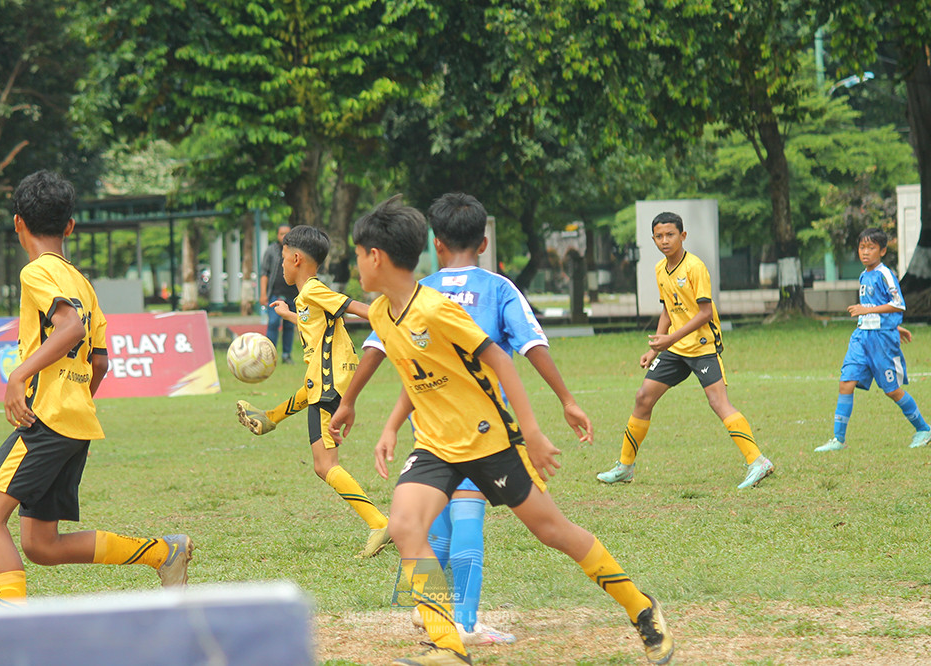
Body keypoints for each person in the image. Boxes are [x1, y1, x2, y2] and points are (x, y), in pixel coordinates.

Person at [332, 195, 673, 666]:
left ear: (376, 257)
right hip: (435, 446)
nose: (356, 265)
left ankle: (641, 607)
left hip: (489, 440)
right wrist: (386, 424)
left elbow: (497, 359)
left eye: (357, 255)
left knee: (554, 531)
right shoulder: (384, 314)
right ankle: (449, 647)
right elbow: (418, 373)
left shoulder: (435, 309)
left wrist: (531, 431)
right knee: (406, 525)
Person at [353, 192, 593, 646]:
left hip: (428, 426)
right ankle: (460, 622)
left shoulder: (415, 290)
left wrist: (357, 407)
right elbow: (527, 346)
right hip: (480, 429)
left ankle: (431, 614)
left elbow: (382, 350)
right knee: (466, 518)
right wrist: (565, 398)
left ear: (436, 244)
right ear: (483, 242)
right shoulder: (498, 287)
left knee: (425, 526)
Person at [0, 170, 193, 606]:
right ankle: (165, 552)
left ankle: (14, 634)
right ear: (69, 227)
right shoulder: (83, 285)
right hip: (73, 422)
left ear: (18, 223)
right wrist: (74, 402)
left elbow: (68, 328)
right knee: (40, 545)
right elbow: (100, 362)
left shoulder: (37, 273)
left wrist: (18, 376)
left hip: (46, 418)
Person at [236, 225, 392, 558]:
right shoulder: (306, 297)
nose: (280, 266)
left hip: (328, 381)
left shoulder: (313, 291)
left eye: (282, 259)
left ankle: (379, 522)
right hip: (328, 379)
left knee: (325, 465)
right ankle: (268, 419)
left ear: (296, 258)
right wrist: (288, 314)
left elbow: (350, 306)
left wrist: (388, 318)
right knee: (308, 391)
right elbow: (316, 322)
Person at [596, 211, 775, 490]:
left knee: (718, 403)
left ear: (683, 236)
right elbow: (668, 308)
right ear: (653, 238)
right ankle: (625, 467)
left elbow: (705, 313)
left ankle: (758, 461)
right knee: (643, 397)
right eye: (659, 236)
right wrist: (657, 346)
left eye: (670, 235)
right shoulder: (659, 269)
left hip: (702, 346)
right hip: (675, 348)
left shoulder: (695, 267)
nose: (665, 241)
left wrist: (669, 339)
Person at [815, 227, 930, 452]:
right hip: (861, 337)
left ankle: (924, 429)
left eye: (871, 248)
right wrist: (895, 325)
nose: (865, 252)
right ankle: (838, 440)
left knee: (892, 390)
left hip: (881, 342)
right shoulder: (864, 275)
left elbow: (898, 304)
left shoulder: (884, 274)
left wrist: (873, 314)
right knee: (846, 382)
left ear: (883, 250)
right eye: (862, 247)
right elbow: (880, 309)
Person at [261, 224, 298, 364]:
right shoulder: (271, 251)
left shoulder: (297, 251)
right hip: (276, 294)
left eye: (287, 234)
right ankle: (270, 354)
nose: (284, 237)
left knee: (290, 325)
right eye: (282, 234)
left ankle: (286, 355)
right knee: (273, 322)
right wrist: (263, 294)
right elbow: (264, 273)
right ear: (277, 235)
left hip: (293, 296)